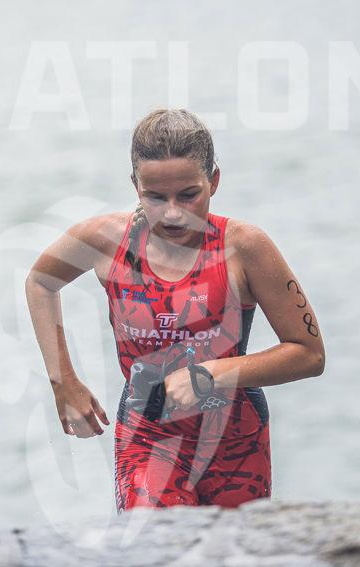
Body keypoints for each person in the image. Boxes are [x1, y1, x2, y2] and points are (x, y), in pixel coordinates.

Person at [25, 108, 325, 512]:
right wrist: (63, 381)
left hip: (237, 443)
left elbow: (309, 354)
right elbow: (40, 282)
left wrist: (211, 374)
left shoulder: (244, 247)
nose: (172, 212)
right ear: (135, 186)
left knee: (231, 547)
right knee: (157, 542)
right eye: (155, 196)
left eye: (188, 195)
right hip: (147, 436)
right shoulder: (105, 240)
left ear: (214, 181)